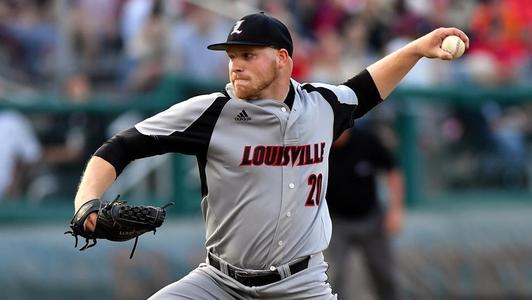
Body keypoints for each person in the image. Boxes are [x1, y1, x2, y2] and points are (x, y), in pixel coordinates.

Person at [72, 12, 468, 299]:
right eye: (231, 56)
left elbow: (367, 87)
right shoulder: (212, 111)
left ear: (282, 58)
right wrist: (86, 200)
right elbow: (120, 146)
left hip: (301, 286)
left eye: (248, 55)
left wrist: (416, 49)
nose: (235, 66)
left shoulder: (323, 105)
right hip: (219, 283)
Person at [326, 126, 404, 300]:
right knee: (333, 276)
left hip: (370, 219)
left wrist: (395, 211)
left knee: (385, 274)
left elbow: (393, 171)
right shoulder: (319, 145)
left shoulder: (366, 140)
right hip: (334, 222)